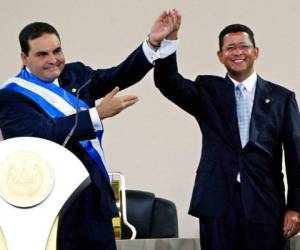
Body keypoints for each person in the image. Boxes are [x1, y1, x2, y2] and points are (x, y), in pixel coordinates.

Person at [0, 11, 177, 250]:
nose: (53, 60)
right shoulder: (11, 96)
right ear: (24, 57)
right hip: (54, 208)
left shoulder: (76, 74)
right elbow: (43, 133)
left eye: (57, 51)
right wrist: (97, 114)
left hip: (94, 198)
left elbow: (119, 75)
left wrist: (152, 42)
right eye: (42, 54)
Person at [153, 10, 300, 250]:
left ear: (256, 52)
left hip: (265, 205)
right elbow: (168, 82)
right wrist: (170, 38)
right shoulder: (208, 91)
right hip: (217, 204)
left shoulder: (282, 98)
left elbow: (296, 157)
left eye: (243, 46)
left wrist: (296, 207)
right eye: (230, 48)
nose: (237, 52)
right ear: (220, 56)